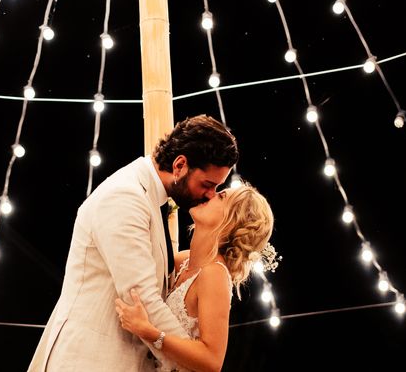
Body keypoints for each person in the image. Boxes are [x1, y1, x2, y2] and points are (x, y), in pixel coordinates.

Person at [27, 115, 239, 371]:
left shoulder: (151, 197)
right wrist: (191, 364)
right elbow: (140, 297)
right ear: (180, 165)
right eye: (207, 184)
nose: (210, 195)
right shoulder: (126, 197)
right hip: (89, 359)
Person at [115, 184, 275, 372]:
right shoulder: (183, 259)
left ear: (231, 222)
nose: (210, 193)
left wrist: (148, 332)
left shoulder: (215, 274)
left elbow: (212, 361)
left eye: (221, 196)